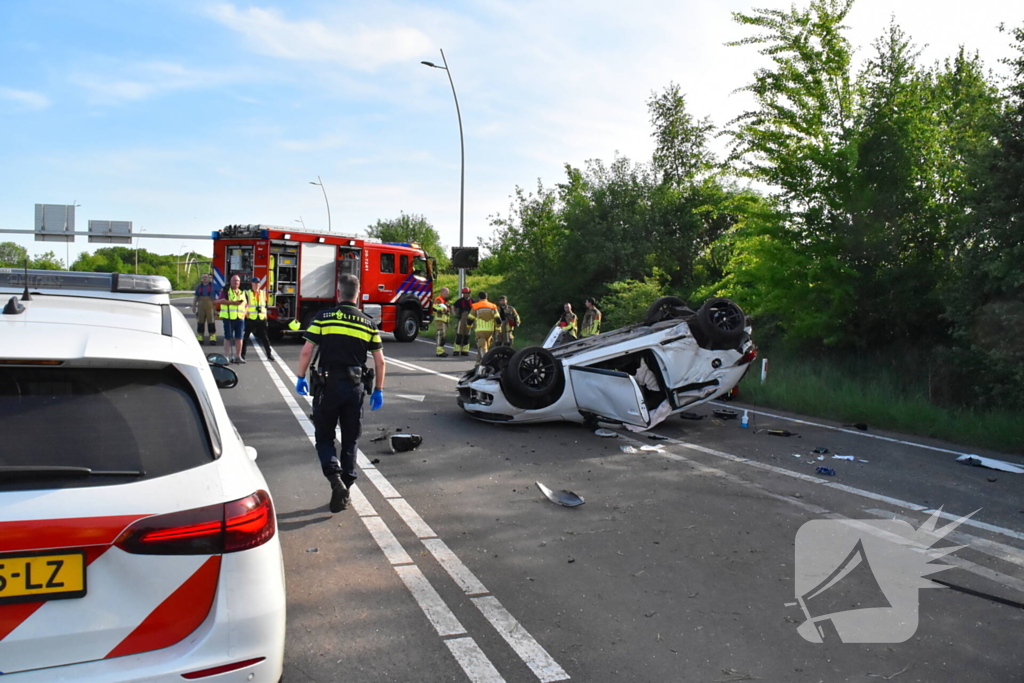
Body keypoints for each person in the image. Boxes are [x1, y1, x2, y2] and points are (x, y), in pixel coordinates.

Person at [295, 273, 386, 513]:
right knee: (350, 439)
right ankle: (346, 486)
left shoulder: (323, 317)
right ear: (358, 294)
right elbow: (380, 362)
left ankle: (335, 480)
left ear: (338, 293)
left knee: (324, 437)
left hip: (327, 387)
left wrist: (300, 377)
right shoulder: (368, 323)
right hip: (355, 388)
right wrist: (378, 390)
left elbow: (306, 351)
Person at [242, 276, 275, 362]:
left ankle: (269, 354)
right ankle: (243, 355)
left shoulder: (263, 293)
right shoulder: (247, 293)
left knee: (265, 337)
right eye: (255, 283)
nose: (257, 285)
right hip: (251, 318)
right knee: (245, 337)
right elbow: (244, 305)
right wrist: (245, 314)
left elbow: (265, 306)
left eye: (258, 283)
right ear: (252, 284)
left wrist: (265, 317)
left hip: (261, 318)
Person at [216, 274, 247, 364]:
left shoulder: (242, 292)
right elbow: (220, 301)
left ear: (239, 282)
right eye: (234, 280)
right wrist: (233, 303)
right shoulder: (226, 291)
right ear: (231, 282)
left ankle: (238, 356)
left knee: (239, 338)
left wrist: (244, 314)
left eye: (237, 281)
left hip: (239, 318)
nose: (236, 282)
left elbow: (246, 305)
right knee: (228, 337)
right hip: (228, 318)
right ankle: (226, 356)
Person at [469, 291, 500, 363]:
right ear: (487, 297)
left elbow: (470, 319)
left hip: (480, 330)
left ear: (479, 298)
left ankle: (485, 363)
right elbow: (498, 320)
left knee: (482, 347)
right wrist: (498, 329)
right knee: (484, 347)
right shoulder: (493, 306)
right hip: (490, 330)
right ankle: (478, 363)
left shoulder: (476, 306)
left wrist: (469, 326)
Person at [191, 273, 218, 345]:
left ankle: (212, 336)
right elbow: (196, 297)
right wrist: (193, 306)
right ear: (202, 279)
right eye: (203, 277)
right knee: (200, 321)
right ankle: (200, 336)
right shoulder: (199, 287)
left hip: (210, 306)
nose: (205, 278)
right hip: (201, 306)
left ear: (209, 278)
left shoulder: (214, 286)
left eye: (206, 277)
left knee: (211, 321)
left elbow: (221, 293)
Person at [452, 287, 474, 356]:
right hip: (461, 318)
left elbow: (476, 309)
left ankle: (465, 350)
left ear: (469, 293)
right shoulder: (460, 301)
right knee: (459, 334)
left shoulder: (472, 301)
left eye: (466, 293)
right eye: (464, 293)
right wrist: (455, 314)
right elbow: (453, 306)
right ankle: (456, 350)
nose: (465, 294)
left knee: (467, 335)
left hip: (469, 319)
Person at [432, 286, 451, 357]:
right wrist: (443, 308)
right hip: (440, 320)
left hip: (444, 321)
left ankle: (441, 351)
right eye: (446, 293)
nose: (447, 295)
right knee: (440, 335)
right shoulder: (438, 299)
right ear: (442, 292)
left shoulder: (445, 301)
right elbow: (434, 307)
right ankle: (439, 352)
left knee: (443, 337)